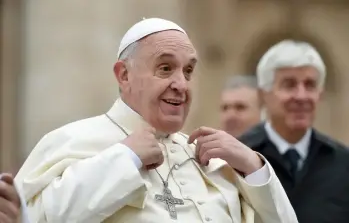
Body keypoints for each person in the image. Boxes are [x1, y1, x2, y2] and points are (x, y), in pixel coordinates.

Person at [14, 18, 297, 223]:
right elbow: (35, 217)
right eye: (165, 68)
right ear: (124, 75)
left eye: (187, 71)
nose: (181, 84)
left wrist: (253, 167)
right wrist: (124, 159)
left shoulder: (212, 162)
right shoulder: (72, 141)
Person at [238, 40, 349, 222]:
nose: (301, 96)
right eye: (289, 85)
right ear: (263, 95)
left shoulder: (344, 164)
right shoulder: (238, 159)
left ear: (319, 95)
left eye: (310, 85)